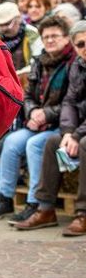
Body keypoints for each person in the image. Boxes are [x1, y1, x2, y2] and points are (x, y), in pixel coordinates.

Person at [0, 16, 76, 222]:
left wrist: (46, 114)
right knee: (11, 141)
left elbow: (72, 102)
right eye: (46, 37)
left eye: (55, 36)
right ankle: (4, 197)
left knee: (34, 145)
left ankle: (35, 202)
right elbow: (27, 95)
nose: (50, 40)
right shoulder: (40, 61)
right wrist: (34, 110)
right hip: (38, 121)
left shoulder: (73, 64)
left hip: (62, 124)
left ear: (66, 39)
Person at [14, 20, 86, 234]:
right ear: (74, 46)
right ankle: (45, 208)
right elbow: (69, 102)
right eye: (81, 44)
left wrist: (76, 134)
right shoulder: (78, 65)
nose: (85, 48)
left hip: (83, 131)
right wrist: (67, 133)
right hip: (79, 126)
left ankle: (83, 212)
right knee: (52, 142)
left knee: (84, 144)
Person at [0, 2, 43, 73]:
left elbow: (37, 59)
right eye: (0, 25)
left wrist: (19, 74)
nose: (3, 29)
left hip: (25, 78)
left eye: (7, 24)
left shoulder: (32, 33)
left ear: (18, 19)